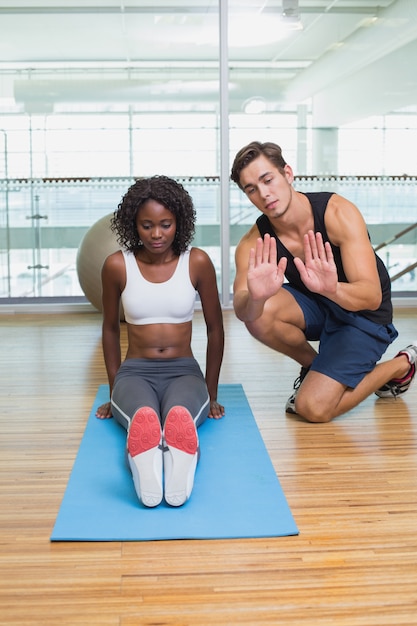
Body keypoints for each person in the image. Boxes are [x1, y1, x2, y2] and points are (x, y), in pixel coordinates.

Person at [231, 140, 416, 424]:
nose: (264, 193)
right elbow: (245, 311)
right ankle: (316, 368)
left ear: (288, 174)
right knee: (260, 314)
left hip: (363, 314)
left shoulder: (338, 213)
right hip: (319, 306)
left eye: (268, 180)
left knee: (313, 409)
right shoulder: (252, 242)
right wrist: (256, 297)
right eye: (251, 189)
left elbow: (371, 297)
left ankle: (402, 363)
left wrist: (332, 288)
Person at [95, 175, 225, 507]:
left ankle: (179, 465)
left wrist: (210, 393)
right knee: (143, 419)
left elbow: (215, 329)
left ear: (178, 223)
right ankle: (147, 473)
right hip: (134, 372)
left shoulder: (195, 262)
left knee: (178, 415)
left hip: (184, 372)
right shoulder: (116, 265)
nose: (156, 234)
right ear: (132, 225)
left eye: (165, 225)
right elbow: (110, 329)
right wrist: (114, 393)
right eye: (146, 225)